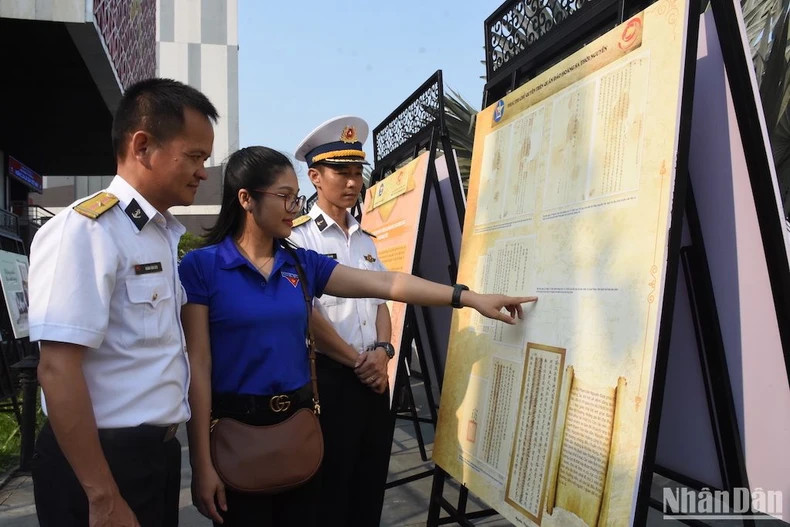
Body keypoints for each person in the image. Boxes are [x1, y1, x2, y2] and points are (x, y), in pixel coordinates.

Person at [180, 145, 536, 527]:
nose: (293, 207)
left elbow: (387, 284)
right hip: (238, 438)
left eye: (294, 197)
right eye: (283, 197)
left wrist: (466, 297)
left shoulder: (300, 263)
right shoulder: (203, 266)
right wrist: (202, 464)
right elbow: (198, 368)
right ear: (246, 199)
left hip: (298, 433)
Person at [29, 78, 217, 527]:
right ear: (143, 146)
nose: (204, 172)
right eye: (194, 157)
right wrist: (103, 496)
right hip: (98, 466)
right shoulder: (87, 230)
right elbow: (57, 368)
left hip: (154, 457)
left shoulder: (159, 235)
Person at [288, 115, 393, 526]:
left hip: (375, 377)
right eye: (341, 173)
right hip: (330, 379)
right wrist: (356, 360)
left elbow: (382, 299)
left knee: (370, 487)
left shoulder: (366, 240)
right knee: (330, 492)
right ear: (314, 176)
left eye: (357, 173)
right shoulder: (299, 237)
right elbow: (306, 311)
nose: (352, 183)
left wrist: (383, 351)